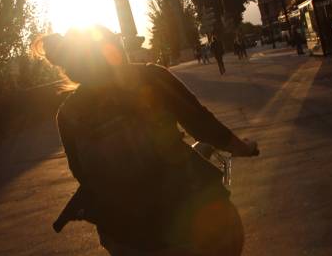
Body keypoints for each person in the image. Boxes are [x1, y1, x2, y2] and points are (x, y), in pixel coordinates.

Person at [38, 26, 258, 255]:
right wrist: (243, 147)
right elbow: (203, 126)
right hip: (191, 222)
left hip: (125, 234)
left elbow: (82, 174)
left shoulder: (68, 114)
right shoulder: (150, 77)